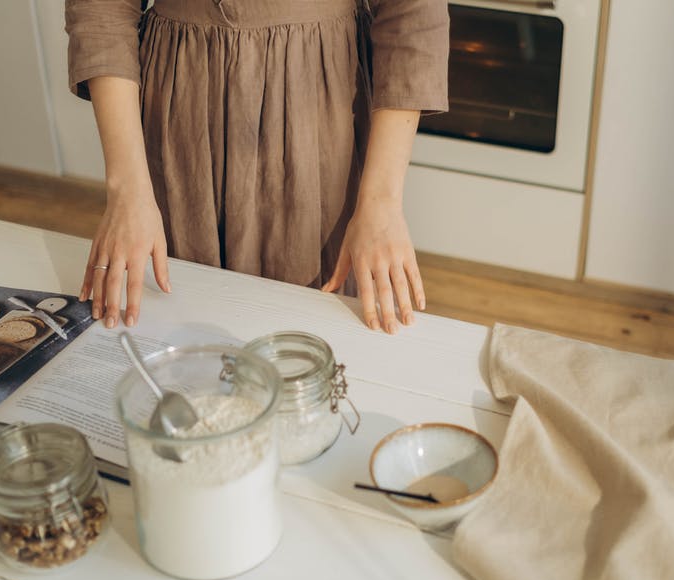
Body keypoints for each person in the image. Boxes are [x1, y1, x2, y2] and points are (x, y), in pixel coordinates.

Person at [65, 0, 449, 334]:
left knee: (317, 332)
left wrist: (381, 203)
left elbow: (411, 14)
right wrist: (127, 191)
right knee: (172, 326)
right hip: (181, 105)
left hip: (318, 106)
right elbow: (102, 9)